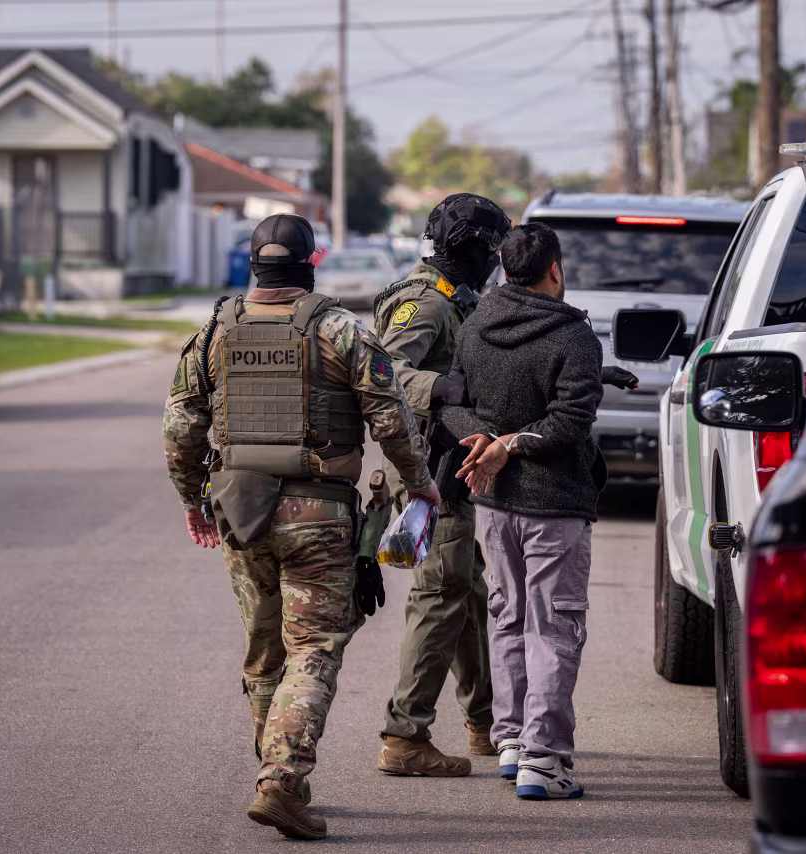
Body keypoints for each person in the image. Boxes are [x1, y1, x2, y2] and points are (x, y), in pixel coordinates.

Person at [163, 213, 440, 839]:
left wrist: (191, 501)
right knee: (312, 648)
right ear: (312, 264)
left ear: (253, 265)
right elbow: (392, 419)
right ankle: (282, 780)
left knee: (265, 651)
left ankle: (275, 772)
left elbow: (180, 428)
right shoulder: (342, 330)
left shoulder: (214, 332)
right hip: (319, 514)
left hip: (240, 512)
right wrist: (420, 482)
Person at [437, 222, 608, 800]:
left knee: (509, 620)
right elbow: (568, 423)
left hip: (493, 503)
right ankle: (544, 760)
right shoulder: (574, 335)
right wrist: (506, 445)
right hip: (554, 505)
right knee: (554, 627)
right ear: (554, 270)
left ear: (506, 271)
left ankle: (511, 741)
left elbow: (452, 404)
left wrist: (488, 442)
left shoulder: (476, 323)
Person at [370, 193, 512, 777]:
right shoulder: (426, 303)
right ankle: (405, 737)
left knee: (466, 592)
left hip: (450, 468)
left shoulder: (458, 298)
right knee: (440, 597)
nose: (496, 261)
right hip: (428, 474)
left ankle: (485, 722)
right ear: (470, 248)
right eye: (492, 250)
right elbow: (381, 372)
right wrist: (440, 389)